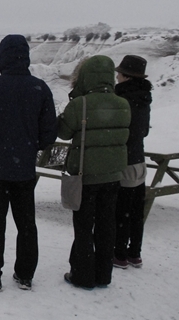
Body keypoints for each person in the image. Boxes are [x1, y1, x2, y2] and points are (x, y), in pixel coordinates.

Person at [0, 34, 57, 292]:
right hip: (24, 169)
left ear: (2, 58)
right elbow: (49, 132)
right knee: (26, 223)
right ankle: (25, 274)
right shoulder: (40, 88)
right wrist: (28, 148)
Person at [58, 55, 131, 289]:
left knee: (83, 226)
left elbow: (64, 133)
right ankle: (103, 274)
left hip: (86, 176)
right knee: (106, 224)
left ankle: (83, 275)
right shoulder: (123, 103)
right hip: (112, 175)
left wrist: (74, 101)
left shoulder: (81, 104)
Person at [112, 55, 152, 269]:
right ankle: (134, 252)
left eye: (119, 73)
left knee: (121, 210)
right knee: (136, 211)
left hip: (124, 161)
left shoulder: (122, 100)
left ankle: (118, 254)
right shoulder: (145, 97)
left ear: (127, 76)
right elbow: (142, 131)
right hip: (139, 159)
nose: (117, 76)